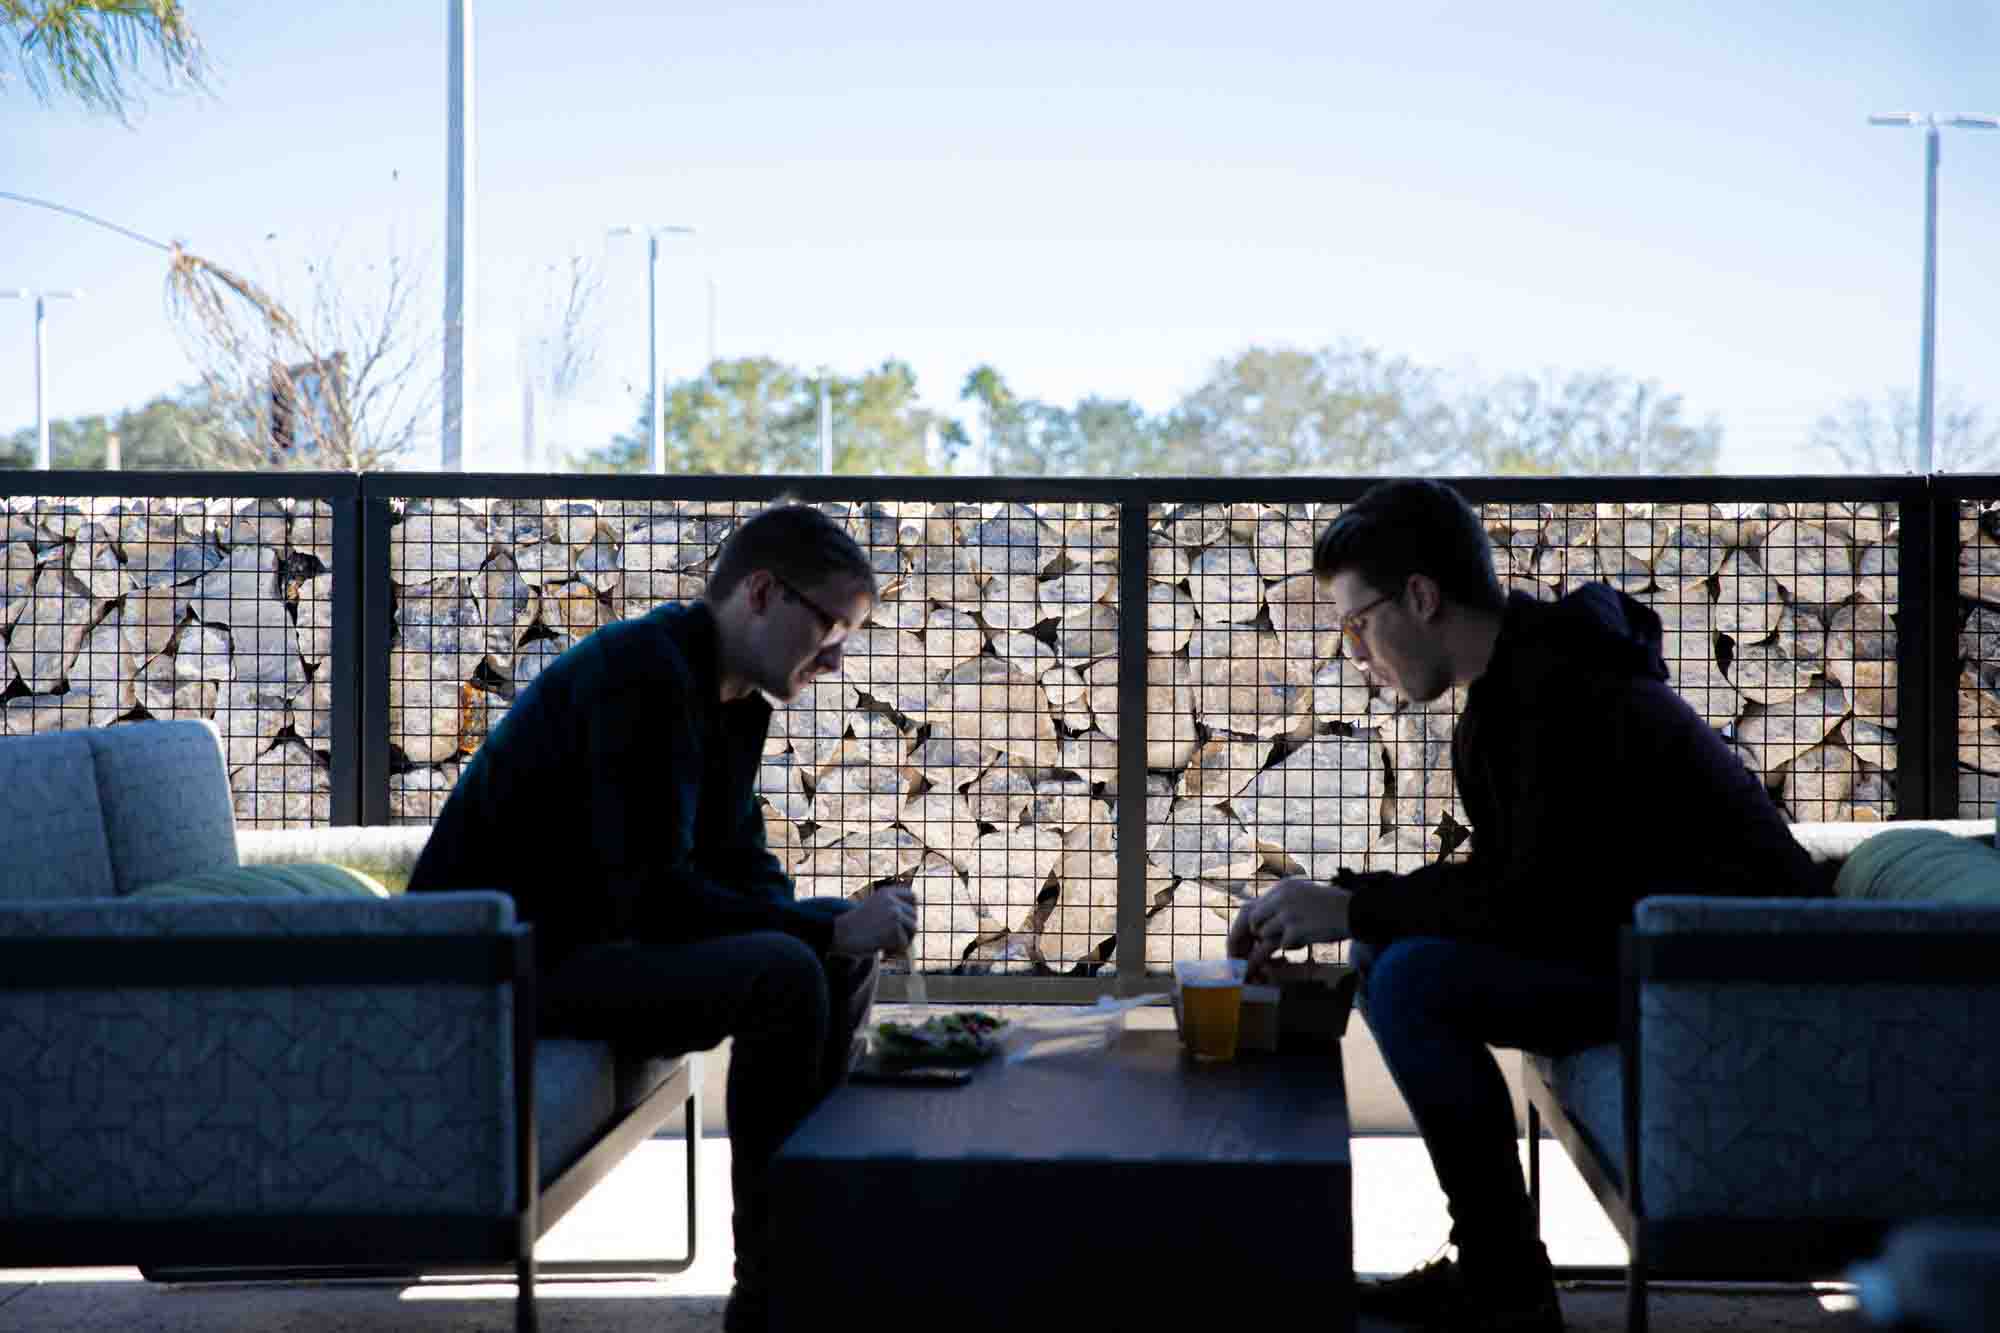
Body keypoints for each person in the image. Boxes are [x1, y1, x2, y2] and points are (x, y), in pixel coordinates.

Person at [1228, 480, 1818, 1333]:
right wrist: (1353, 908)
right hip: (1638, 945)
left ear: (1422, 596)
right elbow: (1529, 881)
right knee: (1387, 957)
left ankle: (1503, 1284)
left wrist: (1351, 906)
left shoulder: (1559, 688)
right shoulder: (1508, 689)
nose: (1354, 654)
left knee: (1409, 978)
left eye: (1356, 624)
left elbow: (1533, 900)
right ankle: (1494, 1261)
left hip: (1731, 977)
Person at [408, 501, 913, 1333]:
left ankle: (814, 1245)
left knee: (831, 949)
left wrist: (838, 927)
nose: (836, 657)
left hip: (592, 940)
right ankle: (772, 1297)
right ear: (761, 592)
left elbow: (741, 868)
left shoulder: (734, 698)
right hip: (508, 969)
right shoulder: (641, 674)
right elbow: (651, 894)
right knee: (790, 968)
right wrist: (820, 933)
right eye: (829, 626)